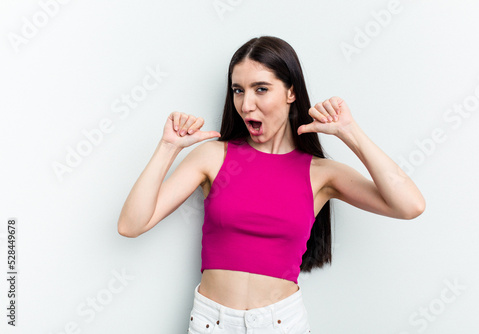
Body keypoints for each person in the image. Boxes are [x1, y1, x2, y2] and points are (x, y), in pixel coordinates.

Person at [117, 36, 425, 333]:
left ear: (291, 92)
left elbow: (410, 205)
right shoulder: (213, 156)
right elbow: (131, 224)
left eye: (260, 89)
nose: (246, 104)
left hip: (283, 323)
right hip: (212, 323)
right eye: (238, 90)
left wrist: (349, 132)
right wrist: (168, 147)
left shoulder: (322, 174)